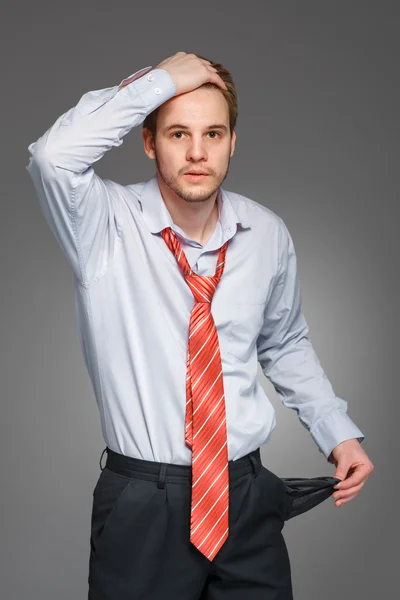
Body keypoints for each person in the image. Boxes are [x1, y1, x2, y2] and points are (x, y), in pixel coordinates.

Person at [26, 51, 374, 599]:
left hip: (245, 498)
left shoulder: (266, 232)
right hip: (144, 505)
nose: (196, 152)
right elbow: (52, 157)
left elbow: (283, 344)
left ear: (233, 142)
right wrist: (160, 82)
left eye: (213, 133)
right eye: (177, 134)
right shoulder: (104, 226)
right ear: (148, 142)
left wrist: (338, 432)